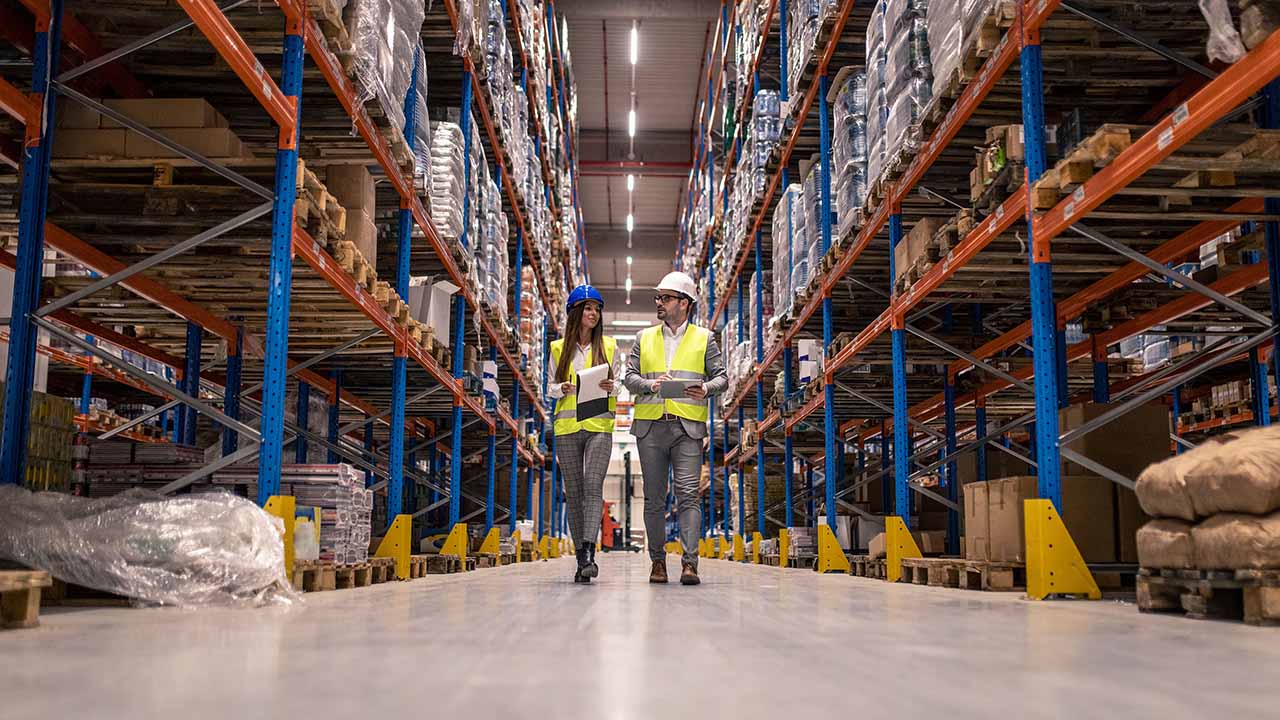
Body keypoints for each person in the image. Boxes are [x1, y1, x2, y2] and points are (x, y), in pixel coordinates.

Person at [623, 271, 728, 585]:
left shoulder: (704, 338)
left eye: (665, 298)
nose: (659, 302)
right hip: (651, 427)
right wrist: (651, 384)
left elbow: (722, 378)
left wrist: (706, 389)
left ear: (684, 303)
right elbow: (628, 378)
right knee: (654, 499)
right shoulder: (643, 338)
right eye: (658, 297)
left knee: (688, 496)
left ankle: (690, 564)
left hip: (688, 429)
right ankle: (657, 562)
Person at [548, 285, 619, 583]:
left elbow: (617, 385)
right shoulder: (557, 348)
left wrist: (611, 387)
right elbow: (549, 389)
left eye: (597, 308)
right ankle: (580, 558)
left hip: (599, 425)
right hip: (567, 428)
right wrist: (561, 388)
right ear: (575, 312)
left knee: (593, 486)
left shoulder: (611, 346)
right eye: (588, 308)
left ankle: (589, 552)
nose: (594, 313)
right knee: (574, 493)